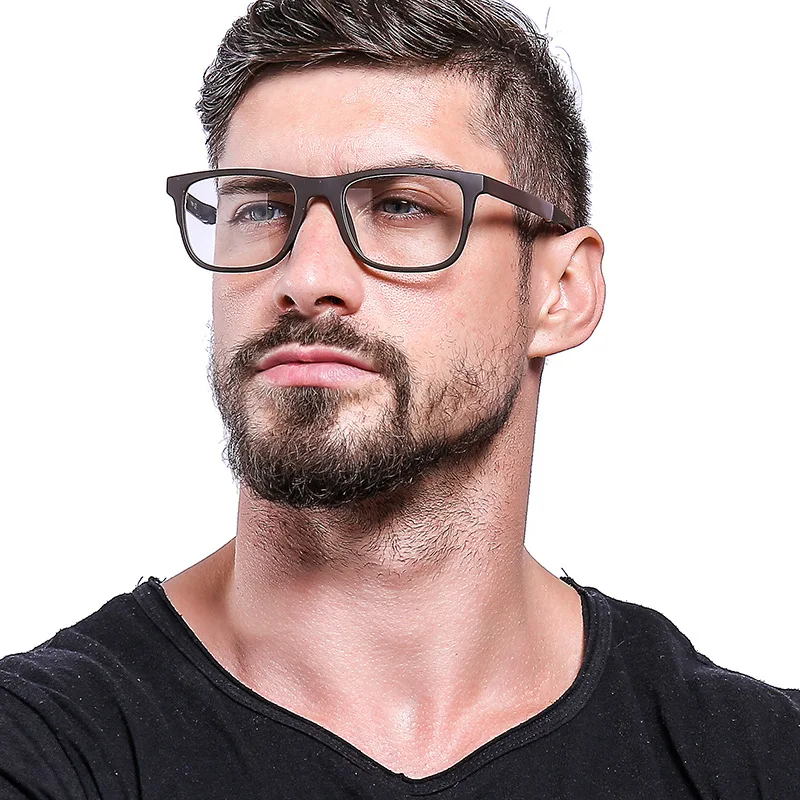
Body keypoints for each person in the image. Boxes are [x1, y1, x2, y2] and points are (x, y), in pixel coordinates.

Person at [1, 0, 798, 796]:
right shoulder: (46, 748)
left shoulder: (755, 759)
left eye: (401, 206)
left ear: (560, 292)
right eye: (262, 208)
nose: (306, 277)